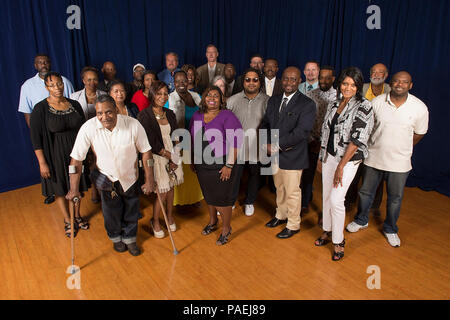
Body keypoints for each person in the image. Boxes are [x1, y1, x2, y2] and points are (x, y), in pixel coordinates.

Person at [346, 71, 428, 248]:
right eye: (396, 81)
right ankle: (361, 220)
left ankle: (390, 228)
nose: (399, 84)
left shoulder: (419, 107)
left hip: (399, 162)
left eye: (404, 82)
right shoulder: (377, 102)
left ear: (410, 85)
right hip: (374, 157)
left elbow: (419, 133)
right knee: (365, 192)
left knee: (395, 198)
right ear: (391, 83)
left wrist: (400, 147)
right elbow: (368, 128)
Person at [66, 95, 156, 256]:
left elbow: (146, 153)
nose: (104, 117)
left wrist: (150, 180)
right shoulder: (88, 127)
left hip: (130, 176)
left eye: (108, 112)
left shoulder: (133, 124)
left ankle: (130, 238)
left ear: (116, 110)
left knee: (131, 209)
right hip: (105, 177)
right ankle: (115, 237)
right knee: (110, 211)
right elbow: (76, 161)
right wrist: (74, 189)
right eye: (99, 113)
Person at [315, 67, 374, 261]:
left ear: (358, 86)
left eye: (352, 84)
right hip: (329, 156)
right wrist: (321, 157)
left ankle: (339, 241)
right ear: (340, 84)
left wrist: (341, 166)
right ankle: (328, 230)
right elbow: (326, 132)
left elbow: (357, 140)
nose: (348, 87)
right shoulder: (334, 103)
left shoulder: (365, 106)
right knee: (326, 196)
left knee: (336, 199)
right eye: (345, 83)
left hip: (348, 160)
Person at [30, 72, 89, 237]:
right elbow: (36, 138)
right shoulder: (40, 109)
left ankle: (77, 215)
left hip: (77, 152)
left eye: (59, 84)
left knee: (77, 185)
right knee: (60, 188)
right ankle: (67, 219)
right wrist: (42, 162)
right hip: (55, 154)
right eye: (52, 85)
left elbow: (84, 130)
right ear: (46, 87)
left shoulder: (74, 104)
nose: (57, 88)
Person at [261, 67, 316, 239]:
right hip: (275, 154)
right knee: (280, 188)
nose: (289, 82)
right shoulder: (274, 100)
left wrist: (275, 145)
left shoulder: (307, 104)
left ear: (299, 81)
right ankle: (281, 215)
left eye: (293, 79)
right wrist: (265, 142)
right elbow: (265, 123)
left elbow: (302, 132)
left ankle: (293, 224)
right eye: (286, 79)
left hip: (293, 155)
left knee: (292, 191)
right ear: (281, 80)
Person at [190, 86, 243, 245]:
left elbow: (236, 142)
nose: (212, 98)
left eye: (216, 96)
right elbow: (192, 140)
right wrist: (193, 159)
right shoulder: (197, 115)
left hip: (222, 163)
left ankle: (226, 228)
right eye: (208, 95)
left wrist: (229, 165)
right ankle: (213, 222)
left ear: (221, 100)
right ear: (204, 98)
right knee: (209, 195)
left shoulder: (227, 115)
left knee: (223, 199)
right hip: (202, 164)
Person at [19, 53, 75, 204]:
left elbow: (72, 104)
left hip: (65, 130)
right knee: (49, 167)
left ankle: (72, 189)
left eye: (46, 62)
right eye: (40, 62)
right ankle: (53, 192)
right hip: (45, 133)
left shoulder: (65, 81)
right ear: (35, 65)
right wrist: (37, 133)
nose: (43, 64)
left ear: (50, 63)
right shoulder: (27, 86)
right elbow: (27, 112)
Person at [138, 81, 184, 238]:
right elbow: (150, 141)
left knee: (171, 189)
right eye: (159, 93)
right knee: (162, 191)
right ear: (152, 94)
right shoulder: (144, 115)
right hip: (157, 157)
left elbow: (177, 135)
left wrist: (176, 155)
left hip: (172, 155)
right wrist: (170, 156)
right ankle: (155, 220)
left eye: (165, 93)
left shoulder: (170, 113)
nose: (162, 97)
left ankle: (169, 216)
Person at [346, 63, 391, 212]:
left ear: (386, 75)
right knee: (354, 173)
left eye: (380, 72)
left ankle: (374, 206)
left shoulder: (391, 91)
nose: (376, 75)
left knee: (376, 175)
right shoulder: (361, 88)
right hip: (359, 138)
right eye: (374, 72)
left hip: (378, 140)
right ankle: (349, 200)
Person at [227, 68, 269, 216]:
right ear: (243, 82)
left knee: (254, 175)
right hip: (236, 147)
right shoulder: (232, 100)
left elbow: (271, 124)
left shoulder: (267, 100)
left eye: (255, 80)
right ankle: (230, 202)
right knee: (234, 176)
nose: (251, 83)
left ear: (260, 82)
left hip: (257, 147)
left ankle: (250, 202)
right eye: (248, 80)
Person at [302, 66, 337, 219]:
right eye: (321, 77)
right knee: (307, 176)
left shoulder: (339, 97)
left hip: (329, 147)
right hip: (311, 142)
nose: (323, 81)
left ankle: (326, 212)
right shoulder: (310, 95)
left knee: (327, 180)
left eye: (327, 78)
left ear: (333, 79)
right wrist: (311, 141)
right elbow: (304, 121)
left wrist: (322, 144)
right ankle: (304, 203)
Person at [164, 71, 203, 207]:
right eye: (178, 81)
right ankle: (180, 201)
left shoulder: (196, 96)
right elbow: (165, 121)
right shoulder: (169, 99)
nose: (181, 84)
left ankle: (194, 199)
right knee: (181, 171)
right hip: (179, 140)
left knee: (193, 172)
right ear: (174, 83)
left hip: (195, 138)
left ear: (188, 81)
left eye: (184, 81)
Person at [70, 66, 106, 204]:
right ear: (83, 80)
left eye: (95, 79)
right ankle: (94, 190)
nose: (92, 82)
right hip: (84, 135)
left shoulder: (103, 94)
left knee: (100, 163)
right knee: (89, 164)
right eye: (89, 79)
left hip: (100, 135)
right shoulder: (74, 97)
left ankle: (101, 189)